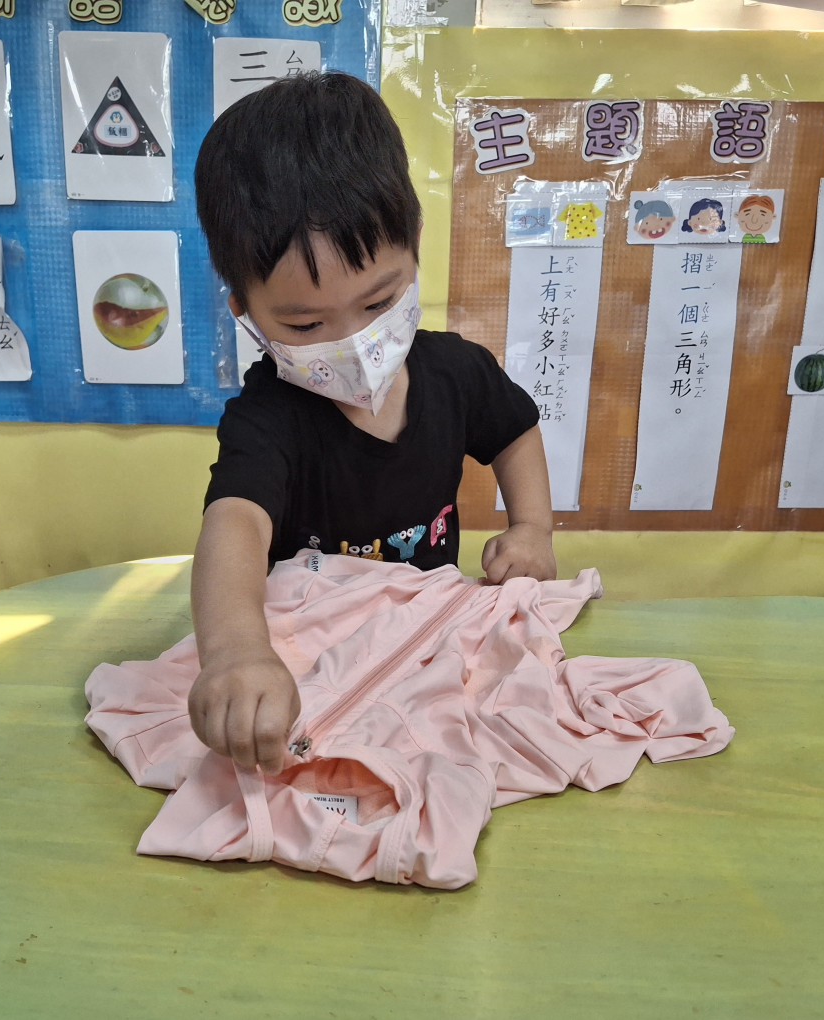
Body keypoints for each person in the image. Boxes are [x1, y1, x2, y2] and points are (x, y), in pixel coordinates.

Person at [190, 71, 556, 775]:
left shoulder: (457, 371)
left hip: (427, 642)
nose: (353, 341)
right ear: (246, 313)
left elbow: (514, 431)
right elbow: (235, 522)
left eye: (379, 302)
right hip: (315, 657)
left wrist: (533, 527)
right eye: (305, 324)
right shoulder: (269, 416)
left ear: (414, 245)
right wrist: (236, 651)